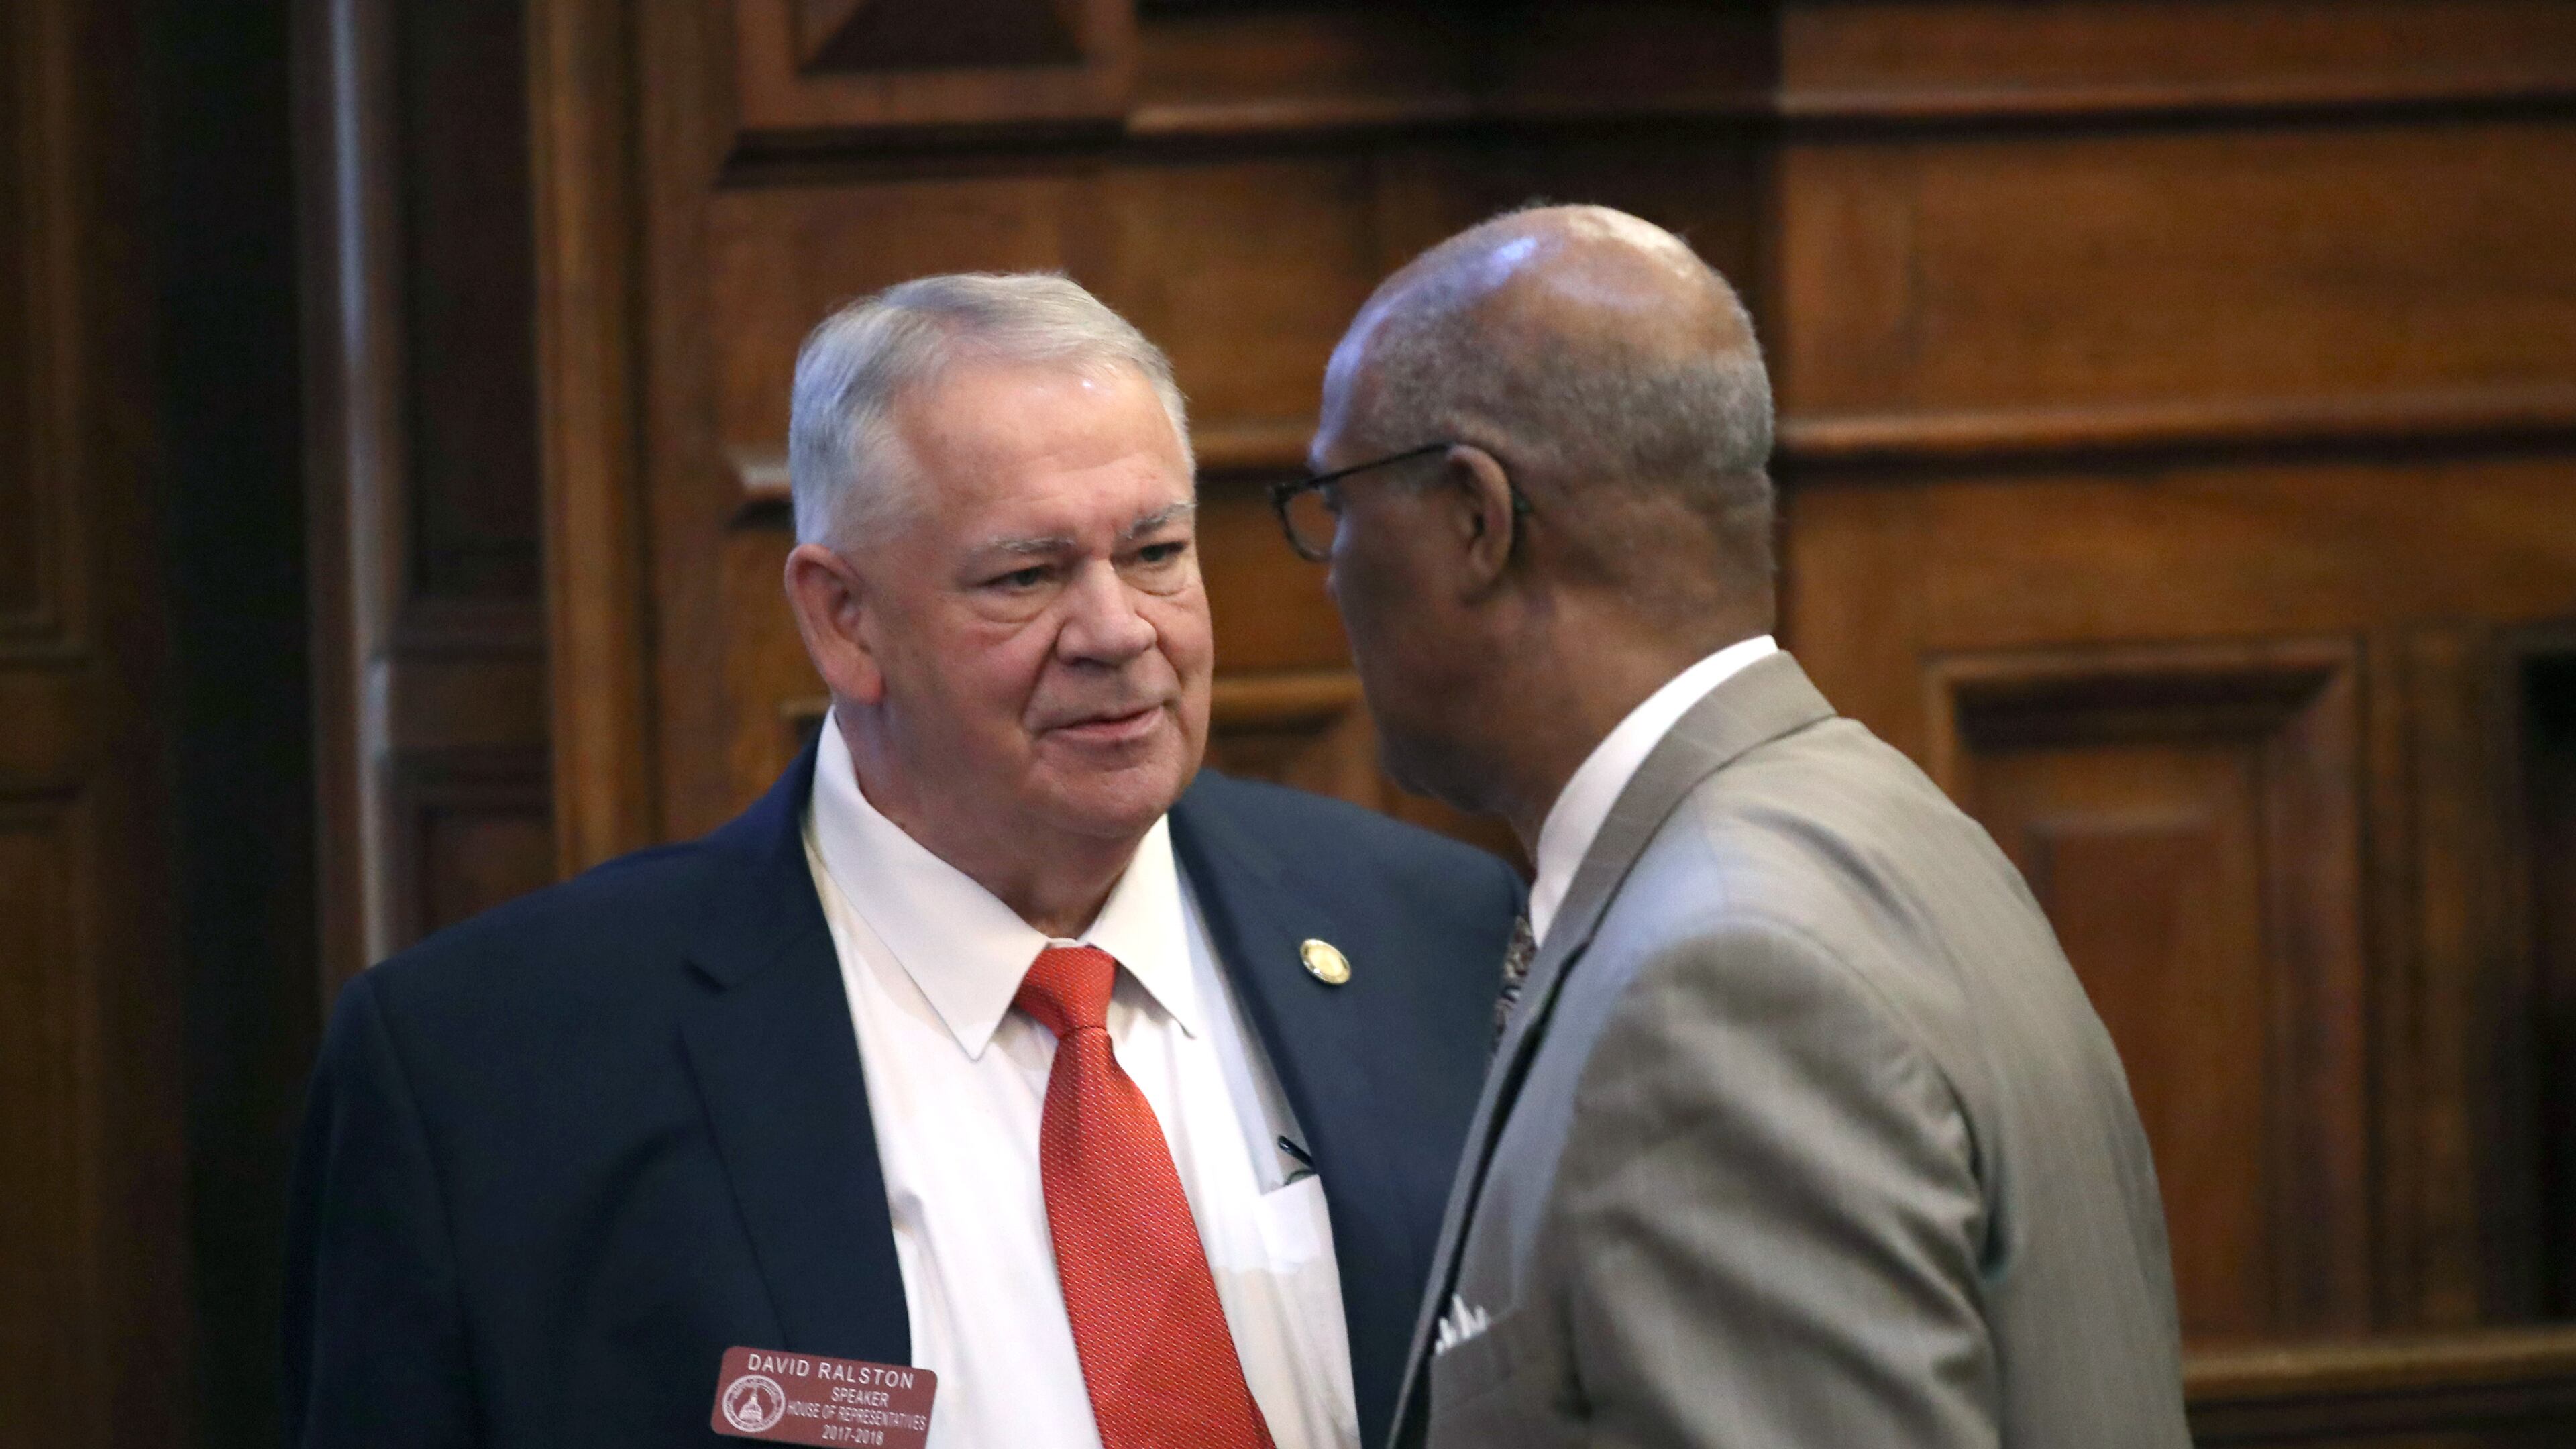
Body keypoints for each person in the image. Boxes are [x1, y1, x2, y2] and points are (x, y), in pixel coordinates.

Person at [283, 274, 1524, 1449]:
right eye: (1027, 576)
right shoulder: (495, 1071)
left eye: (1155, 554)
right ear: (843, 618)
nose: (1117, 631)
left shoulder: (1433, 936)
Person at [1286, 205, 2191, 1448]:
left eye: (1339, 502)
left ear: (1474, 520)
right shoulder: (1896, 828)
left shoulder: (1716, 980)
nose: (1330, 567)